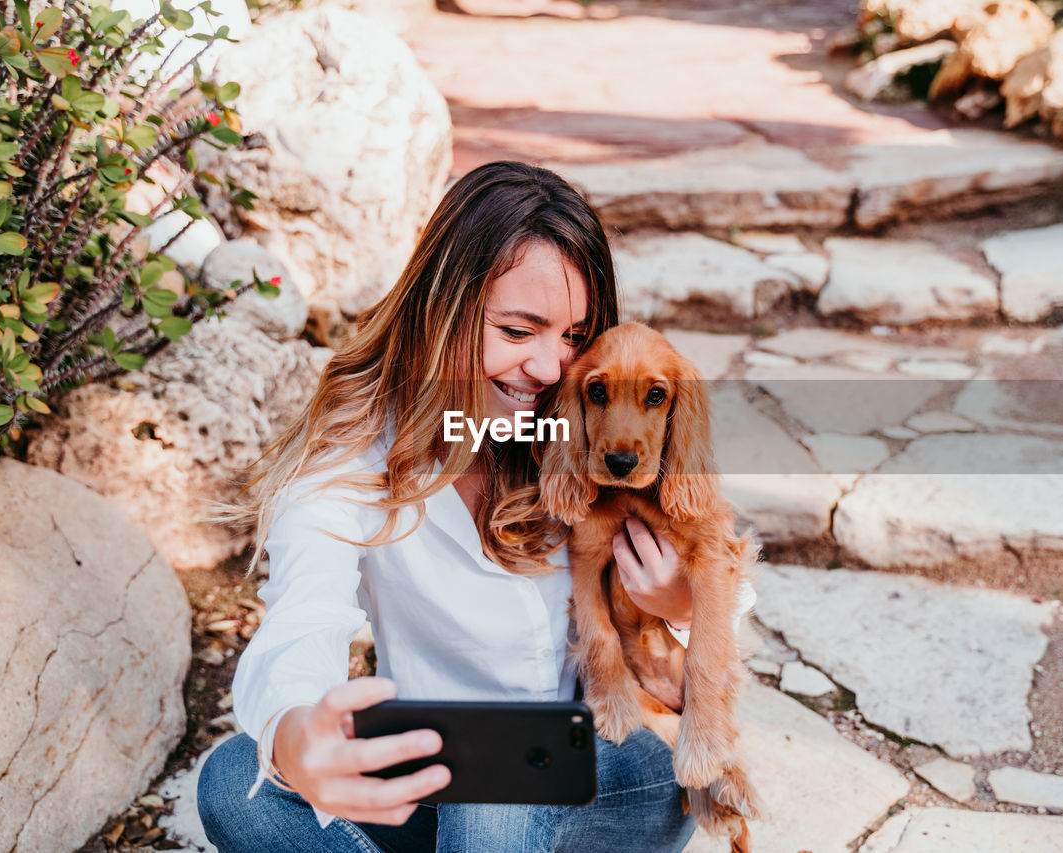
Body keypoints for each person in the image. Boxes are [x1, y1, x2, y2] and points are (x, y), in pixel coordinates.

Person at [196, 161, 704, 853]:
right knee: (236, 781)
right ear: (444, 310)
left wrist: (681, 604)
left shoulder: (598, 430)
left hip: (609, 766)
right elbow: (303, 614)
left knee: (497, 785)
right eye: (519, 331)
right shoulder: (354, 455)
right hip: (442, 770)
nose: (552, 367)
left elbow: (719, 573)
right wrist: (294, 734)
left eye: (574, 337)